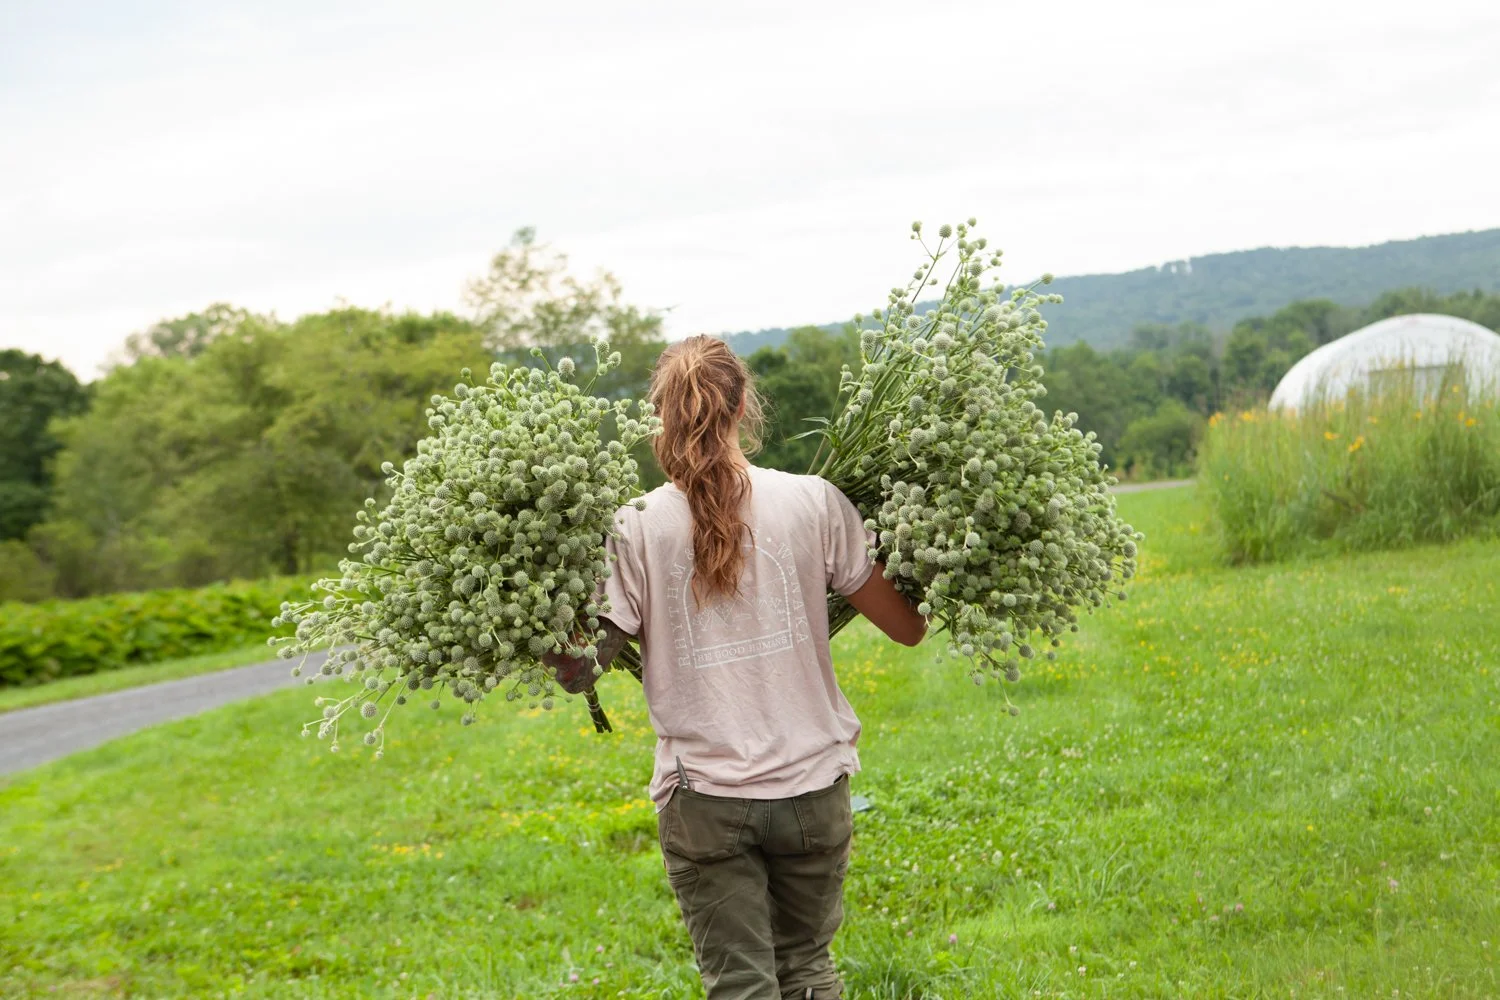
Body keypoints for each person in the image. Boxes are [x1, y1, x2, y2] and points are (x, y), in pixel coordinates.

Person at [548, 334, 925, 1000]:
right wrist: (930, 557)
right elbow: (908, 628)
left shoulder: (632, 528)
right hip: (813, 786)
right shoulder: (814, 502)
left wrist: (541, 620)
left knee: (741, 986)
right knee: (808, 968)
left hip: (707, 800)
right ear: (744, 405)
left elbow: (580, 672)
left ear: (659, 417)